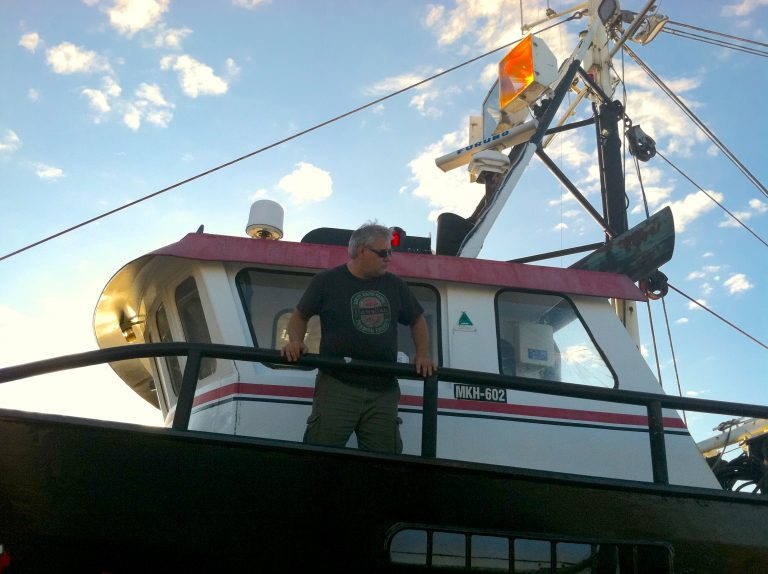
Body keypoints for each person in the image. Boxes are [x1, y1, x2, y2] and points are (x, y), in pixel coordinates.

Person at [281, 221, 436, 454]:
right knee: (319, 457)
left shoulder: (395, 285)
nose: (389, 258)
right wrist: (295, 341)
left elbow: (417, 319)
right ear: (362, 251)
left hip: (383, 390)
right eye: (383, 252)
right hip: (337, 386)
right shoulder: (327, 281)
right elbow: (299, 317)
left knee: (384, 463)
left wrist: (422, 354)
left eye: (390, 253)